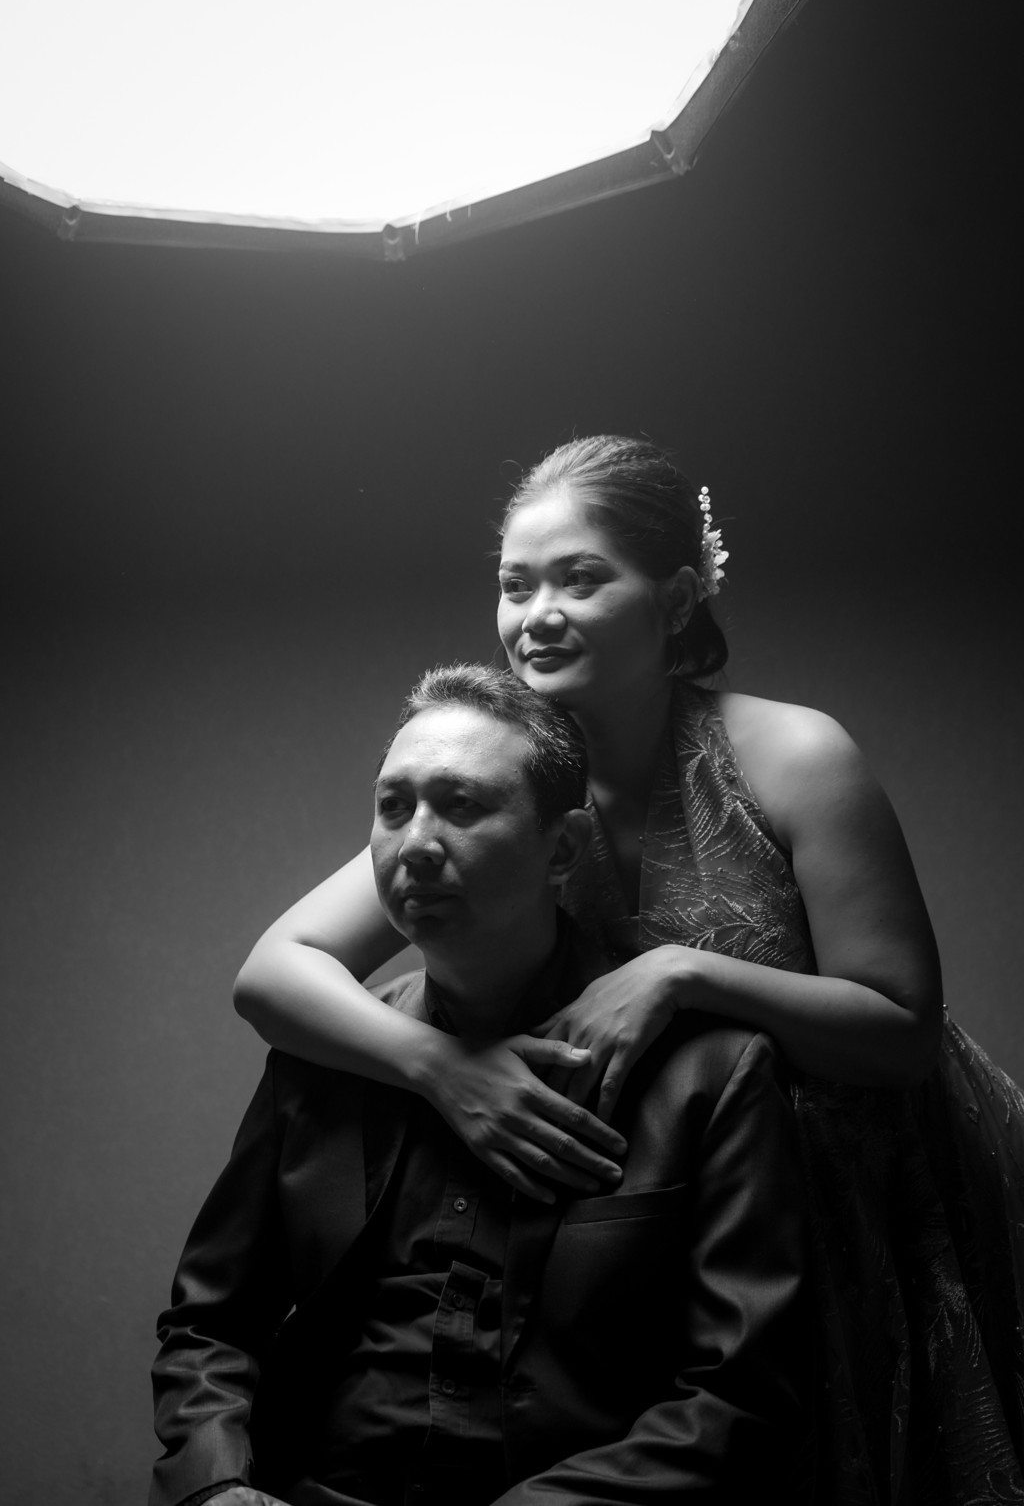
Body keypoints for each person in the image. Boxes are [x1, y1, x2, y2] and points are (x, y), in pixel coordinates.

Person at [234, 436, 1024, 1501]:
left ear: (678, 595)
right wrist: (444, 1070)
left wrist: (685, 974)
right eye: (516, 584)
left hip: (863, 1194)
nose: (537, 614)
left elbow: (902, 1027)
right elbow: (274, 972)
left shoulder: (793, 755)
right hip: (670, 1218)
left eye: (579, 577)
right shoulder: (512, 786)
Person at [150, 665, 809, 1506]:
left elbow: (741, 1398)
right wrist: (215, 1486)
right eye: (394, 806)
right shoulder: (322, 1056)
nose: (416, 844)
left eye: (461, 805)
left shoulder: (708, 1074)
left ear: (561, 849)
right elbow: (209, 1322)